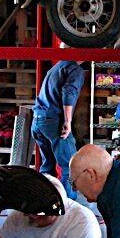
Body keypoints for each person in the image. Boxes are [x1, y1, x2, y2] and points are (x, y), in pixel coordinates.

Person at [32, 49, 85, 200]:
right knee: (70, 166)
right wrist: (67, 122)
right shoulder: (75, 70)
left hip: (38, 120)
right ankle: (66, 205)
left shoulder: (58, 67)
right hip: (53, 123)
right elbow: (69, 93)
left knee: (47, 166)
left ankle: (44, 201)